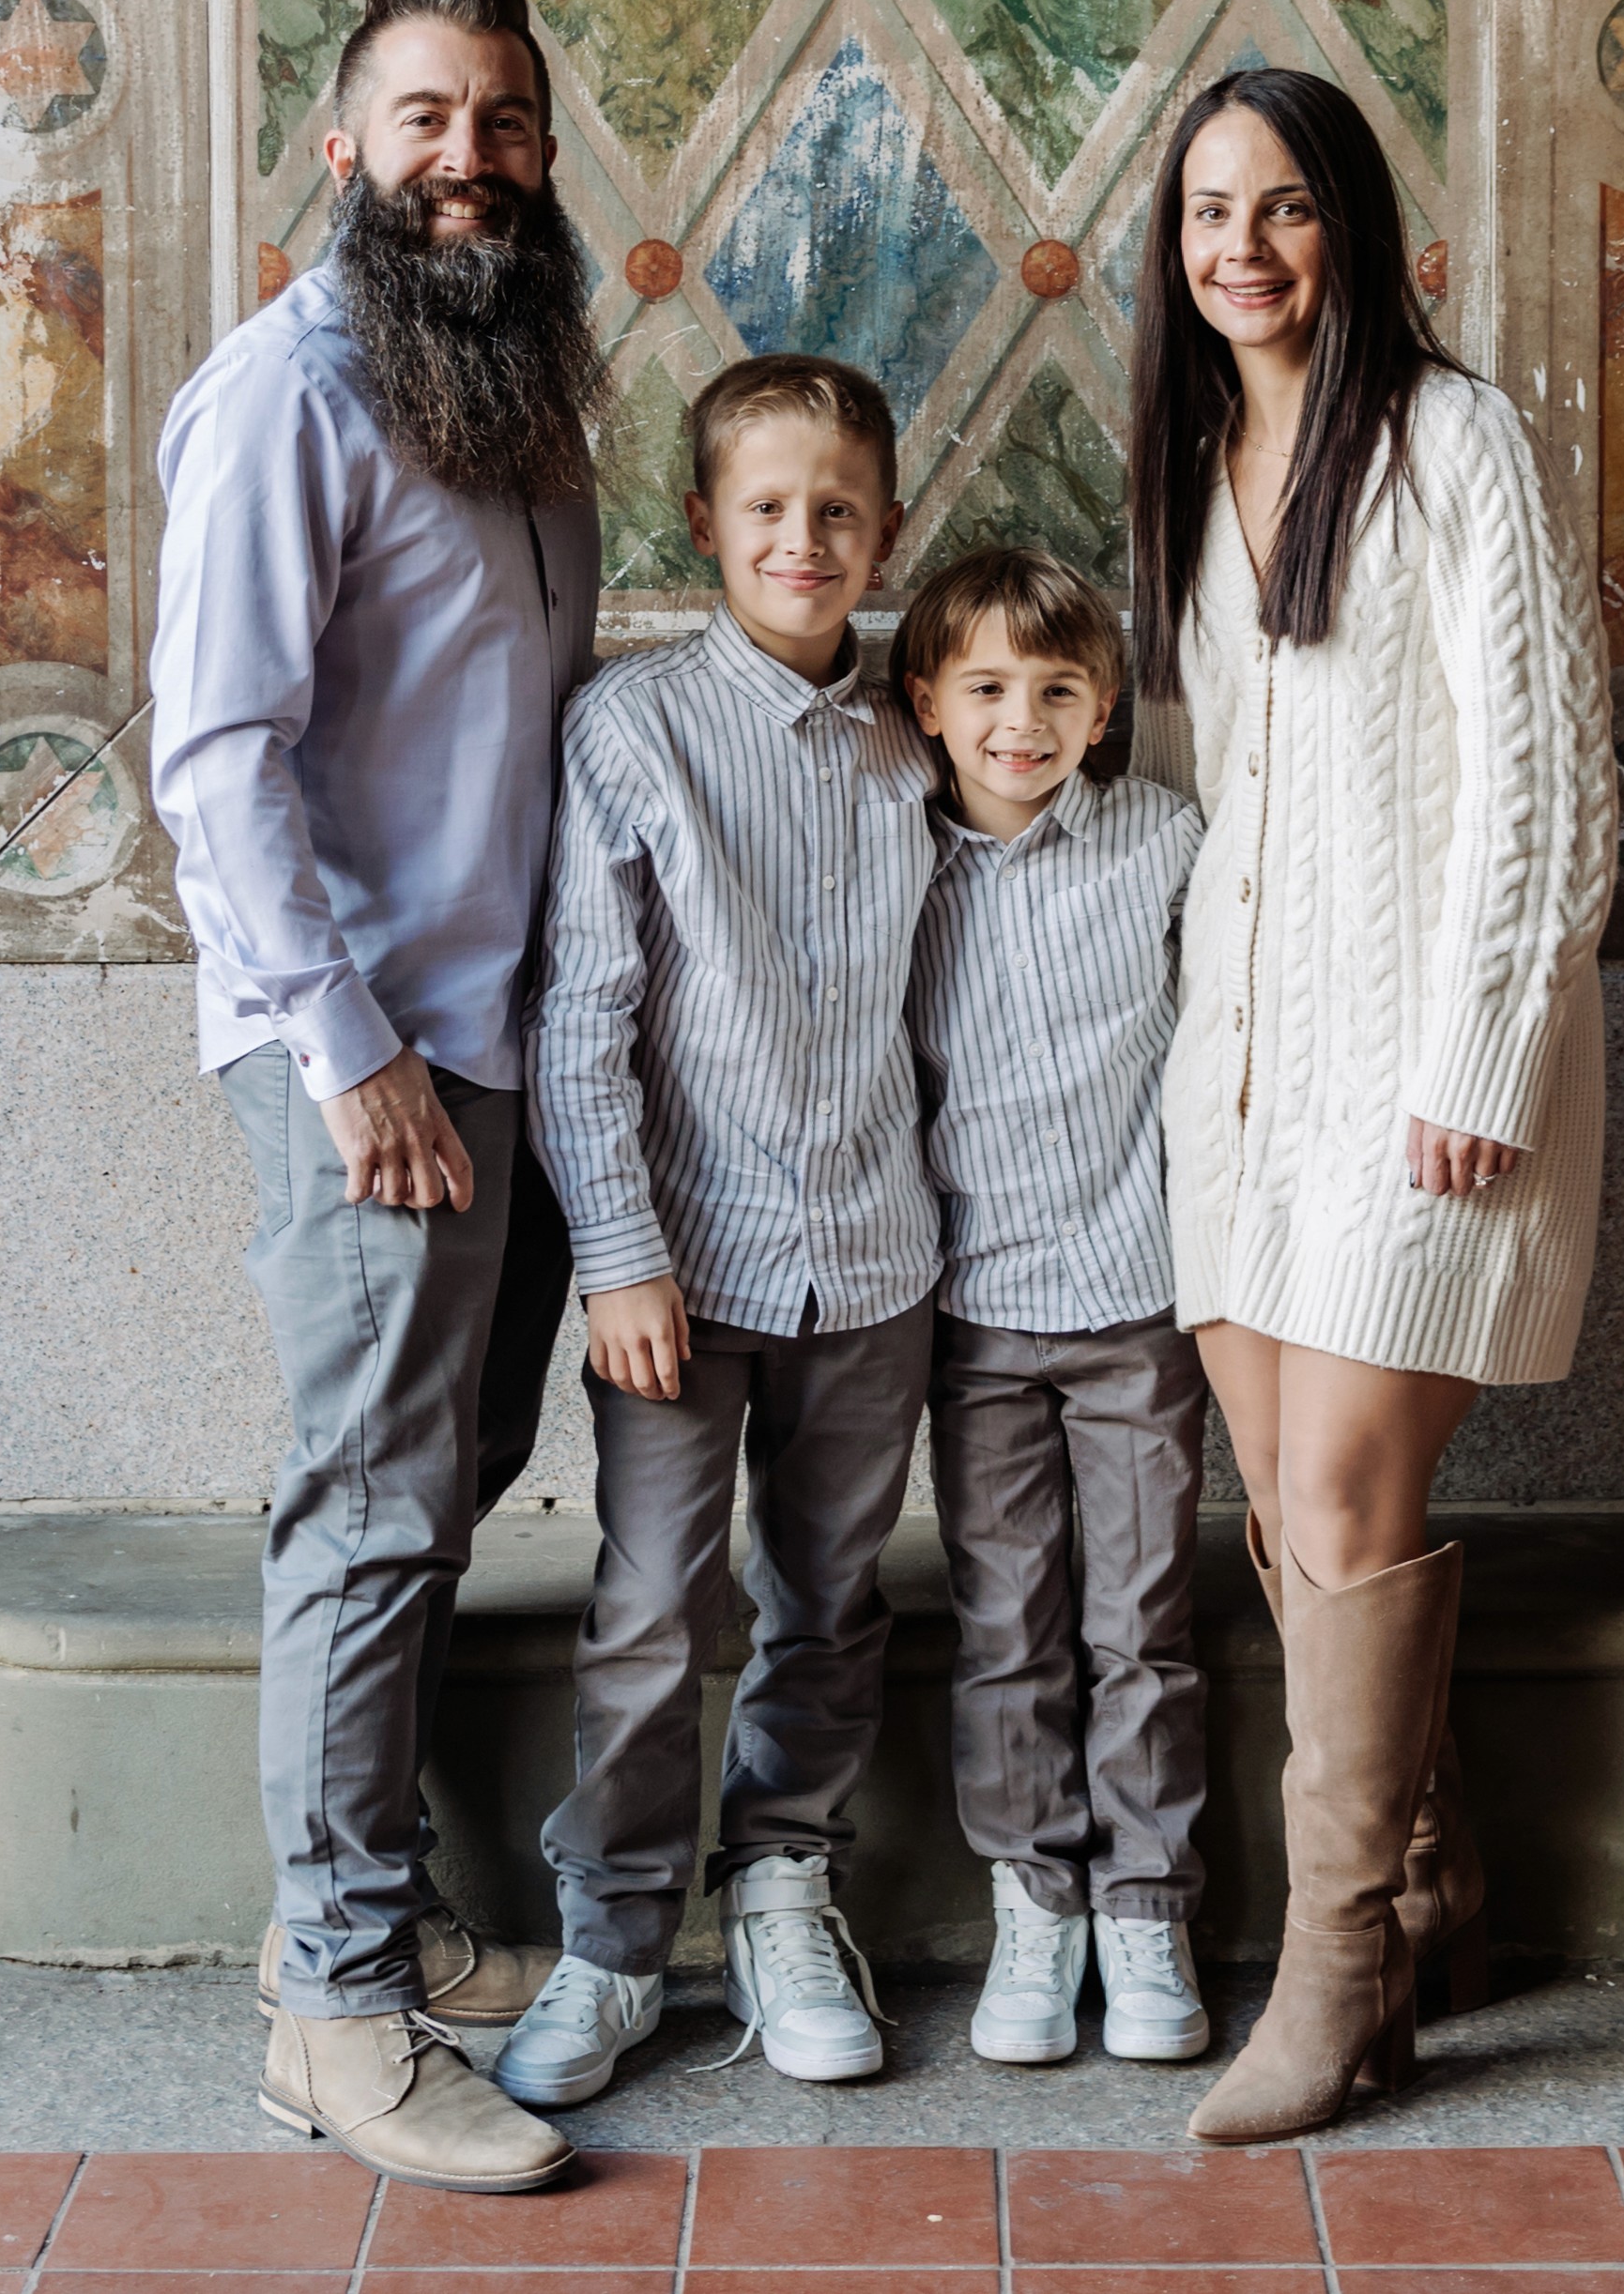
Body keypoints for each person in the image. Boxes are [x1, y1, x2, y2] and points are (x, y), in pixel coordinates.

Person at [148, 0, 603, 2193]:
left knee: (435, 1482)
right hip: (371, 1055)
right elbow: (215, 760)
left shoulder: (506, 380)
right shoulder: (287, 391)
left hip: (499, 1039)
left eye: (502, 119)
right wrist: (354, 1057)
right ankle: (333, 2016)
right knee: (372, 1507)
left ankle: (363, 1927)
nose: (467, 154)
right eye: (425, 116)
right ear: (343, 144)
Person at [1128, 68, 1616, 2146]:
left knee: (1340, 1491)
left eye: (1284, 205)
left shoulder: (1451, 440)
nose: (1240, 246)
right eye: (1206, 210)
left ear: (1353, 226)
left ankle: (1329, 1976)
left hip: (1423, 1075)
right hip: (1244, 1078)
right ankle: (1430, 1898)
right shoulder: (1193, 460)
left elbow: (1545, 777)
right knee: (1285, 1502)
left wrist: (1481, 1053)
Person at [492, 356, 943, 2110]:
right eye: (767, 506)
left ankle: (781, 1886)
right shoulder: (634, 730)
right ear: (702, 523)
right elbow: (580, 1021)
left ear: (885, 529)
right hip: (679, 1275)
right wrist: (617, 1253)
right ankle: (614, 1938)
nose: (802, 537)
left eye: (838, 508)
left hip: (877, 1258)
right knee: (653, 1602)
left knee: (829, 1593)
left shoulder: (918, 737)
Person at [896, 543, 1217, 2072]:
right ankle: (1037, 1896)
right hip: (973, 1312)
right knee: (1008, 1623)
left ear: (1105, 707)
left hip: (1137, 1299)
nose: (1020, 720)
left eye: (1056, 690)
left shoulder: (1165, 840)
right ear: (928, 703)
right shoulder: (895, 860)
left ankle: (1147, 1902)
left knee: (1141, 1618)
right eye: (987, 688)